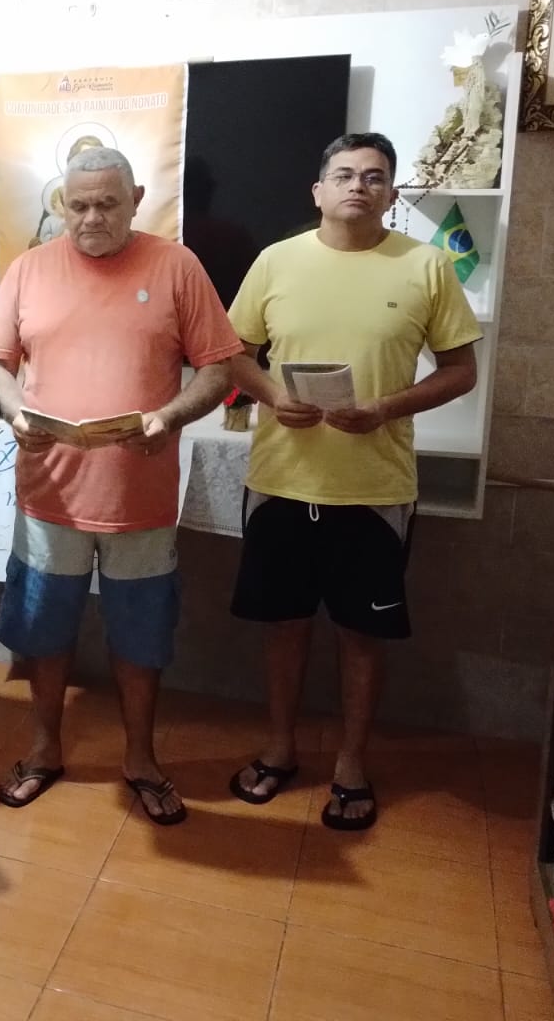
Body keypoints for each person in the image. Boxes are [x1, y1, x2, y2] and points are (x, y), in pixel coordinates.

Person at [225, 133, 481, 831]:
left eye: (373, 177)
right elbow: (233, 355)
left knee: (362, 635)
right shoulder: (276, 261)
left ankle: (350, 764)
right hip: (282, 480)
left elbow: (461, 371)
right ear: (318, 191)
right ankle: (279, 749)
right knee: (283, 626)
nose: (357, 186)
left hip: (375, 488)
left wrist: (384, 409)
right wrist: (273, 396)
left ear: (391, 194)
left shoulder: (426, 266)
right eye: (343, 175)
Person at [0, 146, 242, 826]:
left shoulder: (177, 266)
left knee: (141, 635)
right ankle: (44, 749)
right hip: (50, 495)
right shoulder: (29, 269)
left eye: (107, 203)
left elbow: (219, 368)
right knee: (44, 631)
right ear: (61, 204)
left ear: (136, 199)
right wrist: (14, 411)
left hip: (140, 498)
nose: (92, 217)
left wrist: (170, 415)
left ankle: (140, 759)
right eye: (79, 205)